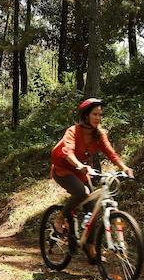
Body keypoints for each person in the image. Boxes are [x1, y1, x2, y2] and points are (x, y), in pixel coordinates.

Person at [49, 98, 133, 261]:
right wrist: (80, 165)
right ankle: (59, 218)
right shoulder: (73, 131)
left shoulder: (98, 134)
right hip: (63, 169)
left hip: (81, 170)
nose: (98, 118)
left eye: (100, 115)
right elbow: (67, 152)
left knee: (92, 209)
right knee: (82, 192)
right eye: (95, 114)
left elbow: (111, 153)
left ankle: (90, 246)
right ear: (86, 115)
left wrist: (124, 168)